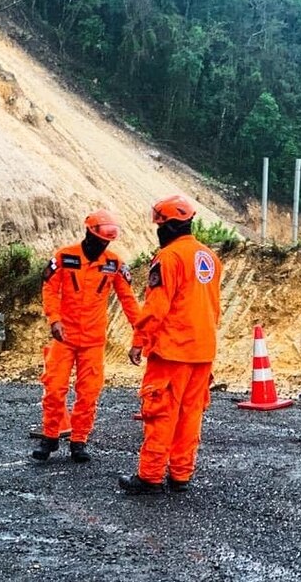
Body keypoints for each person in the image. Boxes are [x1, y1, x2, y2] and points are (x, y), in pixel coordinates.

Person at [118, 195, 222, 494]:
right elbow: (212, 305)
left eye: (159, 226)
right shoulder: (209, 257)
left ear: (169, 227)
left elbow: (156, 307)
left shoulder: (169, 258)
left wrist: (140, 340)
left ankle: (150, 476)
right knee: (190, 416)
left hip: (172, 350)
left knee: (161, 412)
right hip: (202, 350)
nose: (158, 232)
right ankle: (180, 475)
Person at [34, 209, 140, 463]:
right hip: (65, 337)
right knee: (54, 388)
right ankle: (49, 436)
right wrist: (54, 319)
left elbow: (129, 302)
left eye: (107, 241)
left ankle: (79, 441)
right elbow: (50, 288)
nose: (103, 245)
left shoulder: (114, 263)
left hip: (93, 341)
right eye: (100, 239)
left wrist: (141, 336)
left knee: (89, 392)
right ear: (89, 234)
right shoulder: (64, 256)